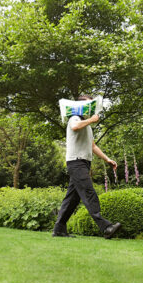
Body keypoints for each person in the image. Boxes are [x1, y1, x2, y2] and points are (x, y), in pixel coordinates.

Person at [52, 96, 122, 239]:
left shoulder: (86, 125)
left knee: (72, 199)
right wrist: (91, 120)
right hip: (76, 162)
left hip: (83, 163)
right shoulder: (75, 118)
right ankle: (106, 227)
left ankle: (59, 229)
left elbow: (93, 145)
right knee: (89, 193)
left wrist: (107, 159)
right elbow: (74, 127)